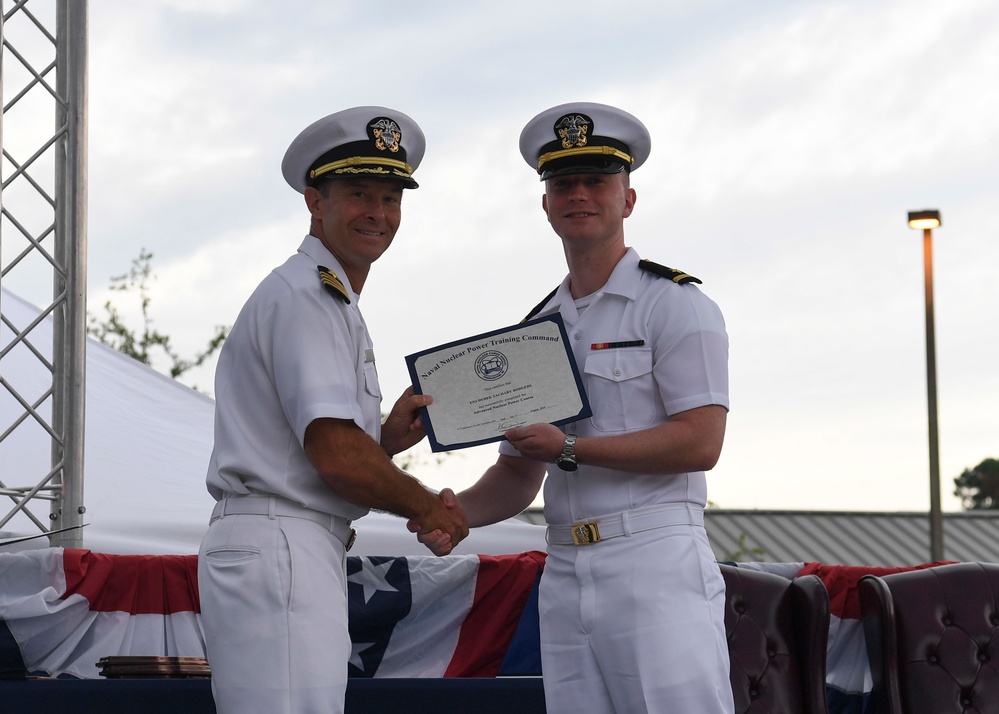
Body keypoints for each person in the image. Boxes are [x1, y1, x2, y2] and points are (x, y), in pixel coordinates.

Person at [413, 102, 735, 713]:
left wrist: (569, 448)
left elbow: (701, 442)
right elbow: (516, 474)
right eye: (563, 183)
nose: (578, 195)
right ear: (546, 204)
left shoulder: (675, 306)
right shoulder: (537, 329)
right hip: (564, 566)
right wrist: (450, 512)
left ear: (628, 199)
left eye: (596, 181)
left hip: (654, 561)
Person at [198, 106, 468, 714]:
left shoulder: (326, 296)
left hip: (287, 542)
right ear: (313, 201)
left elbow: (321, 446)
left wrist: (383, 440)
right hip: (282, 541)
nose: (377, 212)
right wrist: (428, 507)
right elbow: (336, 457)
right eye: (358, 194)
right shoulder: (308, 297)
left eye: (390, 198)